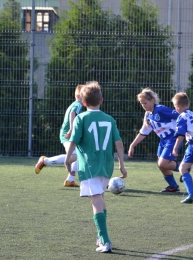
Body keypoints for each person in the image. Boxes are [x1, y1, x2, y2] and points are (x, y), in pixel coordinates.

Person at [64, 81, 127, 253]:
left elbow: (73, 140)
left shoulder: (81, 118)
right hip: (107, 165)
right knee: (99, 199)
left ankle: (105, 241)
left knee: (96, 200)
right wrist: (121, 165)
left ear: (83, 103)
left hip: (90, 165)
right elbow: (119, 143)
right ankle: (101, 237)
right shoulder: (109, 119)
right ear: (101, 100)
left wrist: (67, 160)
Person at [128, 88, 181, 193]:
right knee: (160, 164)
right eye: (142, 104)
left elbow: (180, 115)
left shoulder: (160, 109)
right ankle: (173, 186)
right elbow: (143, 132)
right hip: (163, 141)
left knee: (163, 163)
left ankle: (184, 168)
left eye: (145, 103)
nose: (144, 106)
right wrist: (132, 145)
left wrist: (186, 130)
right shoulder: (148, 115)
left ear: (152, 100)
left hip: (173, 138)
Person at [35, 84, 85, 187]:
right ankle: (45, 161)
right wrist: (72, 129)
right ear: (79, 96)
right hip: (68, 134)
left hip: (68, 134)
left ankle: (70, 180)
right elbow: (72, 113)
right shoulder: (78, 104)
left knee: (80, 156)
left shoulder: (77, 104)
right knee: (74, 156)